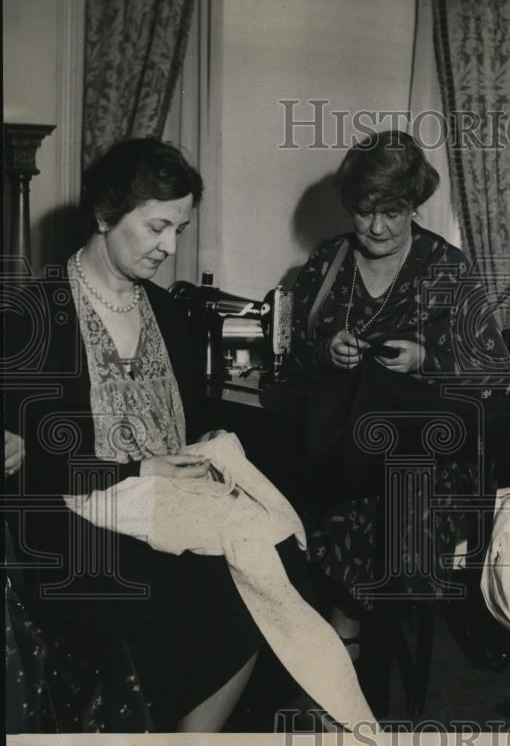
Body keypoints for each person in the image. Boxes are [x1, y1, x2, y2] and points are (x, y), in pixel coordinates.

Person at [1, 139, 303, 732]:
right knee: (215, 592)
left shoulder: (167, 313)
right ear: (104, 217)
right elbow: (33, 467)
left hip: (162, 509)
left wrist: (208, 446)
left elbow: (183, 428)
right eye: (157, 226)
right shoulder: (34, 313)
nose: (169, 246)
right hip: (70, 523)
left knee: (281, 559)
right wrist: (139, 470)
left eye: (180, 229)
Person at [289, 130, 510, 660]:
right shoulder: (328, 261)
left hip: (427, 455)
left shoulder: (446, 267)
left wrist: (425, 359)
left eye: (393, 210)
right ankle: (317, 638)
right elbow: (289, 356)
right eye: (365, 211)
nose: (378, 226)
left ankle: (344, 641)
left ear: (415, 205)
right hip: (337, 443)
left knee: (379, 505)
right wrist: (326, 350)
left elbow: (494, 370)